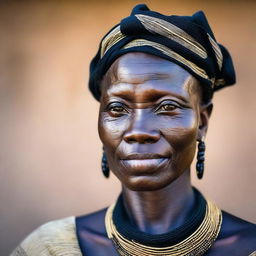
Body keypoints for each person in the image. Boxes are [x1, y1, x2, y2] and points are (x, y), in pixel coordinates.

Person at [11, 4, 256, 256]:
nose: (138, 131)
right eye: (117, 108)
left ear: (202, 122)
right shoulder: (47, 248)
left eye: (167, 106)